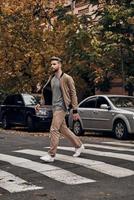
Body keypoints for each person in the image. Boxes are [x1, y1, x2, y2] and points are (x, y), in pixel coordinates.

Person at [36, 56, 84, 162]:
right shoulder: (51, 78)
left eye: (54, 64)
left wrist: (75, 110)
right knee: (64, 129)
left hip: (62, 107)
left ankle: (51, 155)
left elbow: (73, 94)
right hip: (54, 107)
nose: (52, 66)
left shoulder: (67, 78)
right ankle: (79, 145)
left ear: (60, 65)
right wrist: (40, 104)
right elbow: (47, 93)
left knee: (54, 129)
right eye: (51, 64)